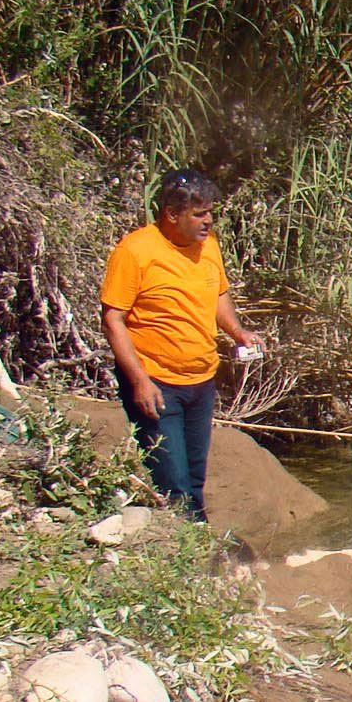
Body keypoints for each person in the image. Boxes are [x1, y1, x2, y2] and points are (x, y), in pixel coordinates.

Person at [99, 168, 259, 520]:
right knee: (174, 484)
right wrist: (140, 381)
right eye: (199, 214)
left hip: (201, 381)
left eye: (210, 212)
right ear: (172, 214)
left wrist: (238, 332)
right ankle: (190, 545)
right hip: (157, 383)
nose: (208, 221)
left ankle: (198, 541)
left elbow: (218, 294)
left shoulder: (208, 245)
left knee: (195, 479)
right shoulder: (135, 252)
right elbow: (113, 320)